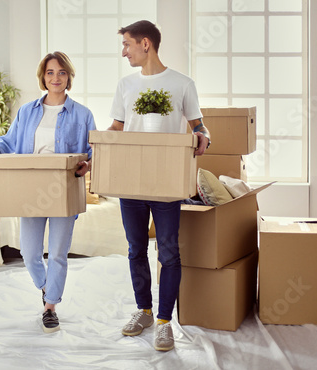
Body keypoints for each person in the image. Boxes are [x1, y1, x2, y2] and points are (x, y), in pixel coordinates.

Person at [107, 20, 211, 351]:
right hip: (130, 182)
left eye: (127, 44)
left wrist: (202, 138)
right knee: (136, 249)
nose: (124, 51)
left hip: (166, 183)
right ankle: (144, 311)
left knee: (168, 252)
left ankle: (165, 321)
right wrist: (94, 147)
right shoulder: (125, 85)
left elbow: (201, 127)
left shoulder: (182, 84)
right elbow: (116, 129)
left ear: (146, 44)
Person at [0, 52, 96, 333]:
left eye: (61, 72)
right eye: (50, 72)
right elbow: (8, 141)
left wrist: (88, 164)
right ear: (43, 77)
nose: (55, 78)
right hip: (31, 189)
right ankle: (48, 289)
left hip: (65, 189)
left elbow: (96, 150)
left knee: (58, 253)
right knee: (30, 253)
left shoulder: (83, 114)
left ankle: (50, 308)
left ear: (69, 77)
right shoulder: (27, 111)